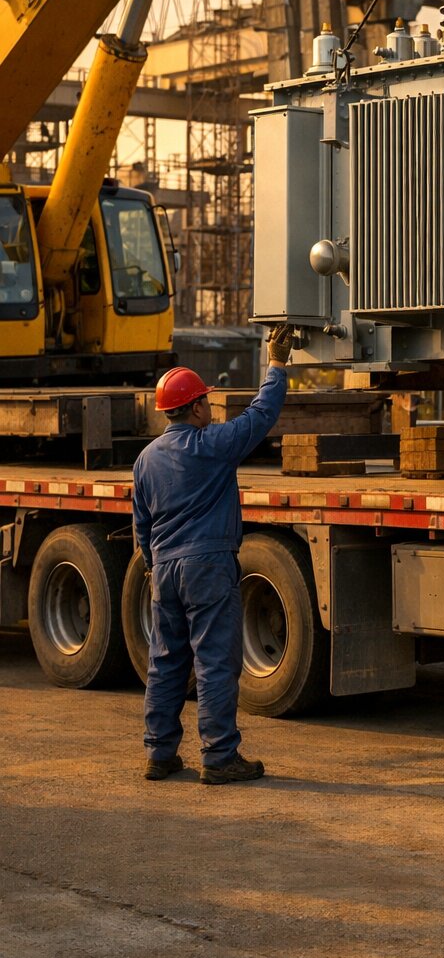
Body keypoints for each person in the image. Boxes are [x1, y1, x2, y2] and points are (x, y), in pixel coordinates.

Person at [133, 324, 293, 784]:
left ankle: (160, 755)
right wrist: (276, 364)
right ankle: (220, 757)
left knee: (165, 663)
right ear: (197, 406)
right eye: (206, 400)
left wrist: (151, 564)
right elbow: (261, 415)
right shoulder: (213, 446)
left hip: (164, 569)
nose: (210, 407)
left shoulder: (146, 459)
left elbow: (142, 524)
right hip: (208, 566)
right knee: (216, 662)